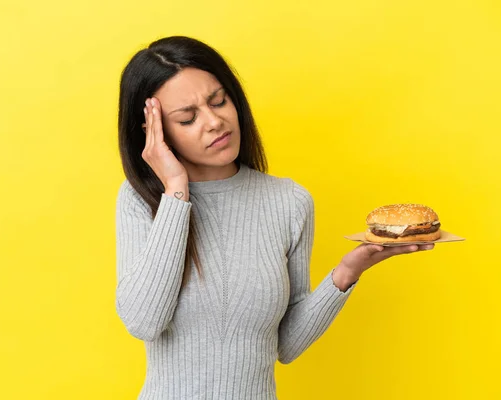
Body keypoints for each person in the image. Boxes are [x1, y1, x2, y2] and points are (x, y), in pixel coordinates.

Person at [115, 35, 434, 400]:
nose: (215, 122)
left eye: (219, 101)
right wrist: (175, 189)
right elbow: (143, 322)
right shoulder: (142, 200)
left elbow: (285, 346)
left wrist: (347, 273)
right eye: (188, 118)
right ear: (155, 133)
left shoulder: (288, 201)